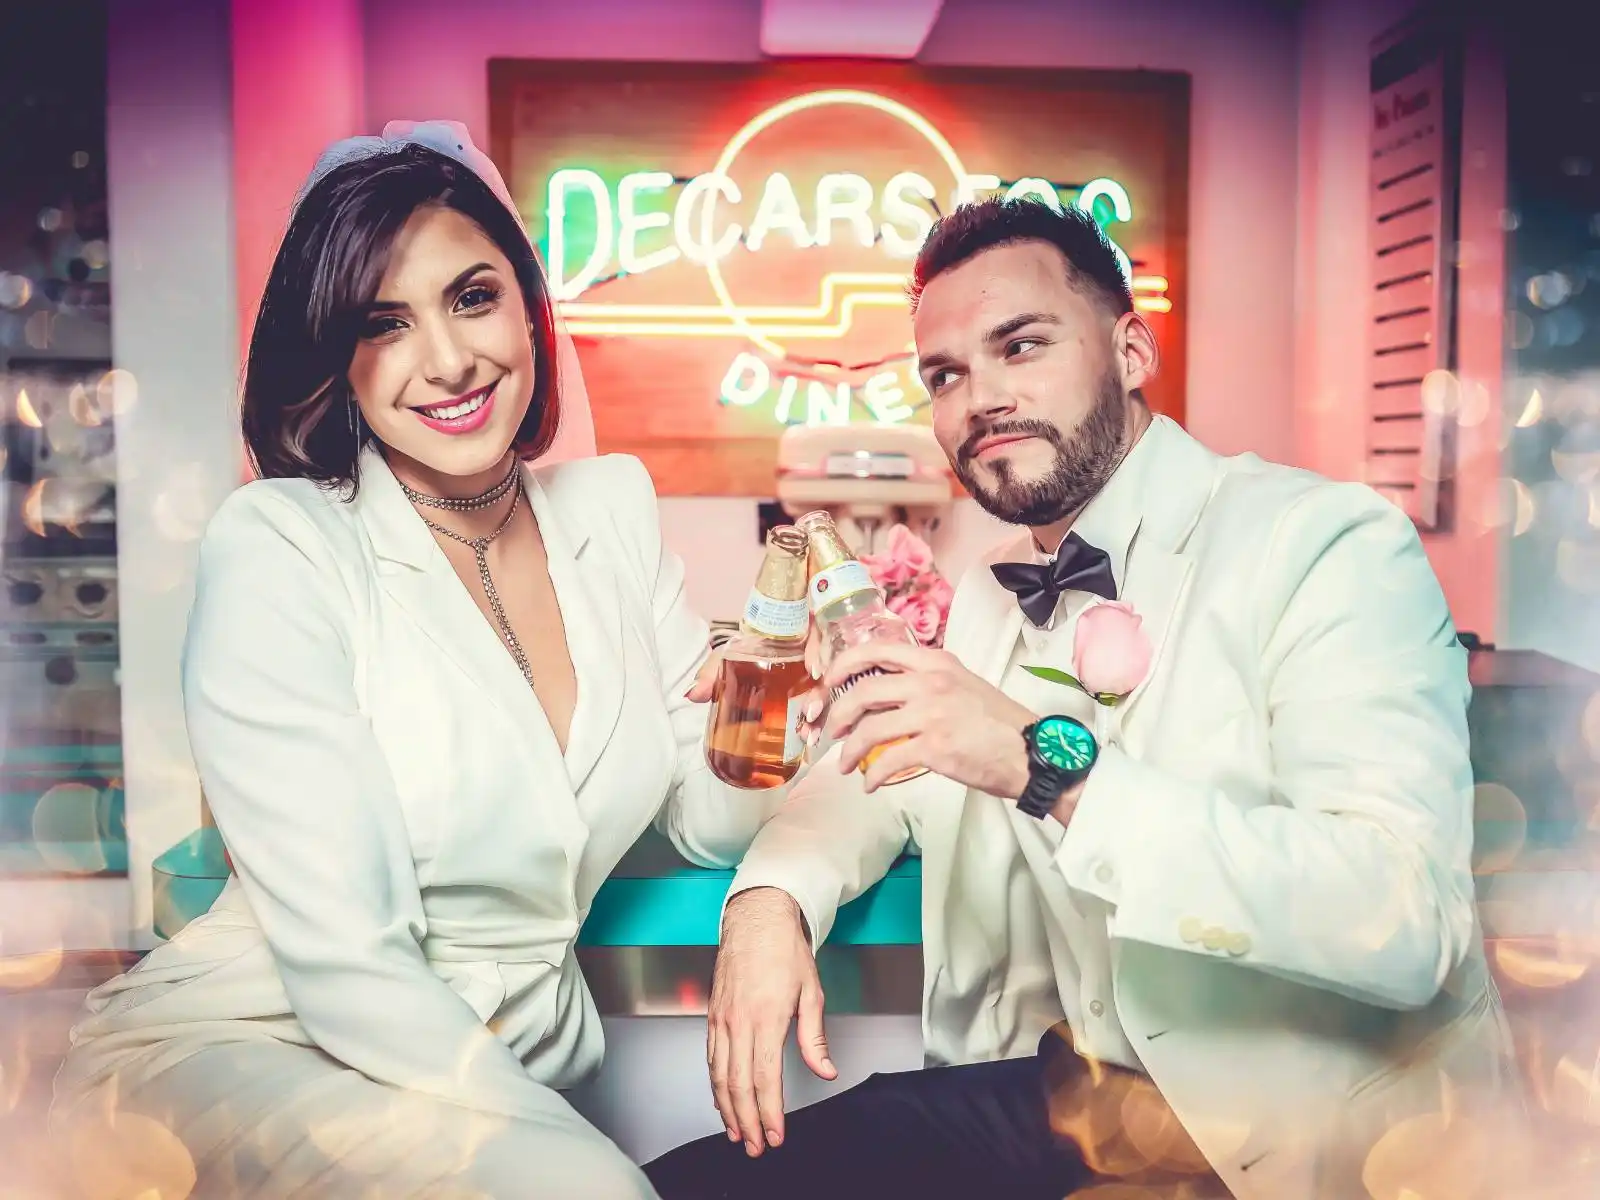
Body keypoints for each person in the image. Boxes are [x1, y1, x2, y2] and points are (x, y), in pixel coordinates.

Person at [646, 198, 1519, 1200]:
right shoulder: (990, 588)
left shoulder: (1324, 544)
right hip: (1081, 1105)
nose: (981, 399)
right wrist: (769, 901)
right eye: (945, 375)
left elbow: (1404, 921)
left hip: (1301, 1145)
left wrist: (1043, 764)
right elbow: (886, 782)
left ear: (1131, 351)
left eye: (1020, 346)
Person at [50, 122, 769, 1199]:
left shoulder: (611, 509)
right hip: (264, 1052)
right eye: (383, 324)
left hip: (506, 1070)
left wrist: (767, 692)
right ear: (337, 361)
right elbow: (347, 964)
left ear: (528, 306)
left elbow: (707, 823)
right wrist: (578, 1160)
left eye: (472, 298)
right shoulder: (281, 543)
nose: (448, 361)